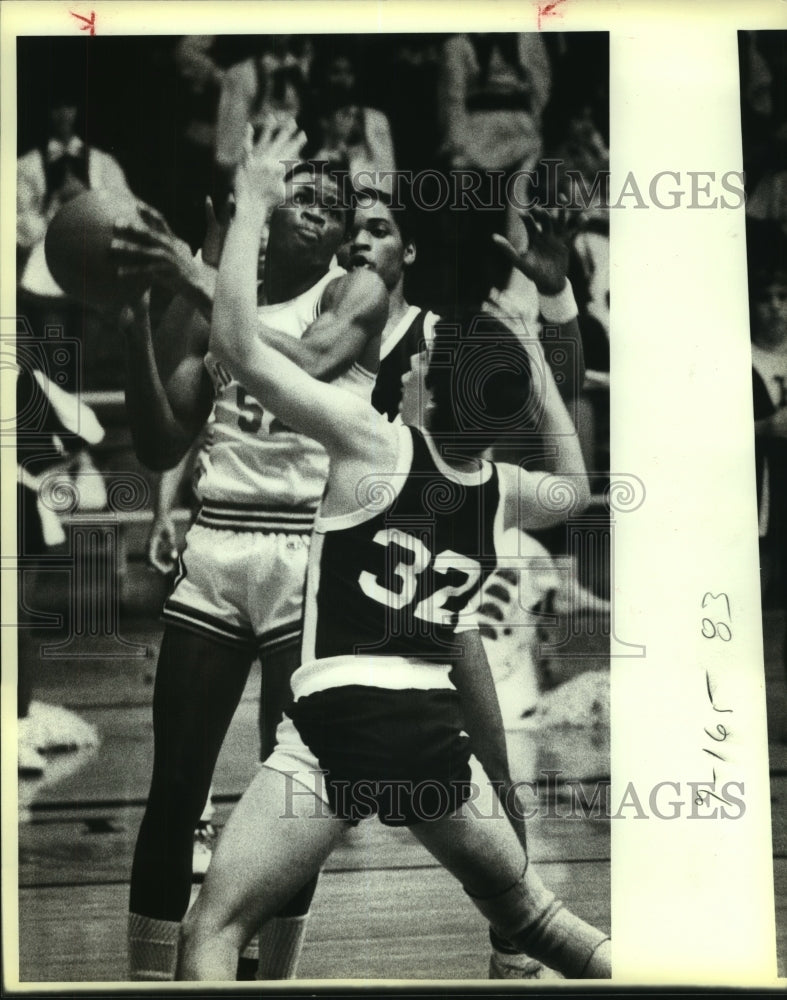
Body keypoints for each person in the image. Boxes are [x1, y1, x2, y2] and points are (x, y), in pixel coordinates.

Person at [177, 126, 610, 981]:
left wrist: (251, 205)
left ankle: (517, 957)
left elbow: (237, 346)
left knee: (215, 932)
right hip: (428, 733)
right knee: (538, 914)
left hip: (341, 724)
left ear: (426, 380)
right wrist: (537, 358)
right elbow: (574, 489)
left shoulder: (377, 438)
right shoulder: (495, 483)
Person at [113, 119, 387, 981]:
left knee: (294, 798)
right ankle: (145, 978)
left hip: (309, 559)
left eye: (330, 204)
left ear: (345, 234)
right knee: (173, 791)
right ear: (266, 215)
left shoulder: (357, 293)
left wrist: (195, 269)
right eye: (296, 192)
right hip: (219, 548)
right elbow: (161, 445)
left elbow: (303, 358)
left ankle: (275, 977)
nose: (314, 209)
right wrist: (134, 319)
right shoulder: (221, 299)